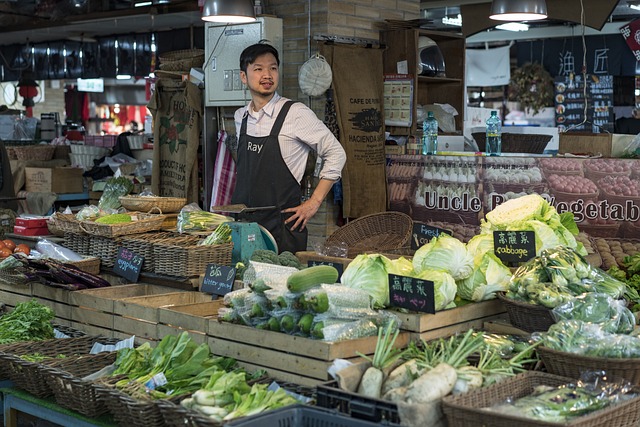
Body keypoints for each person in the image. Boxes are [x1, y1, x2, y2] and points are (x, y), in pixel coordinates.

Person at [231, 42, 346, 254]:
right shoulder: (241, 117)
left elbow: (336, 153)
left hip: (282, 228)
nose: (267, 75)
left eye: (273, 68)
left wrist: (314, 202)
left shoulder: (295, 113)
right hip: (244, 227)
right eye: (258, 69)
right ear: (243, 77)